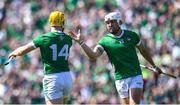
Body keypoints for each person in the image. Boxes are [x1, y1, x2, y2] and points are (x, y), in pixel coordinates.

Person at [69, 12, 162, 104]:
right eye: (107, 23)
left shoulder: (132, 35)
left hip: (135, 75)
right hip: (120, 79)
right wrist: (81, 42)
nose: (109, 25)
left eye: (112, 22)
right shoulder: (105, 41)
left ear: (119, 22)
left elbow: (143, 51)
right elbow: (93, 55)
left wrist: (154, 65)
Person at [8, 11, 73, 105]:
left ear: (50, 22)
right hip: (67, 77)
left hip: (53, 77)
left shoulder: (43, 38)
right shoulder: (68, 39)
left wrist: (14, 52)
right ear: (63, 22)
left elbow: (22, 51)